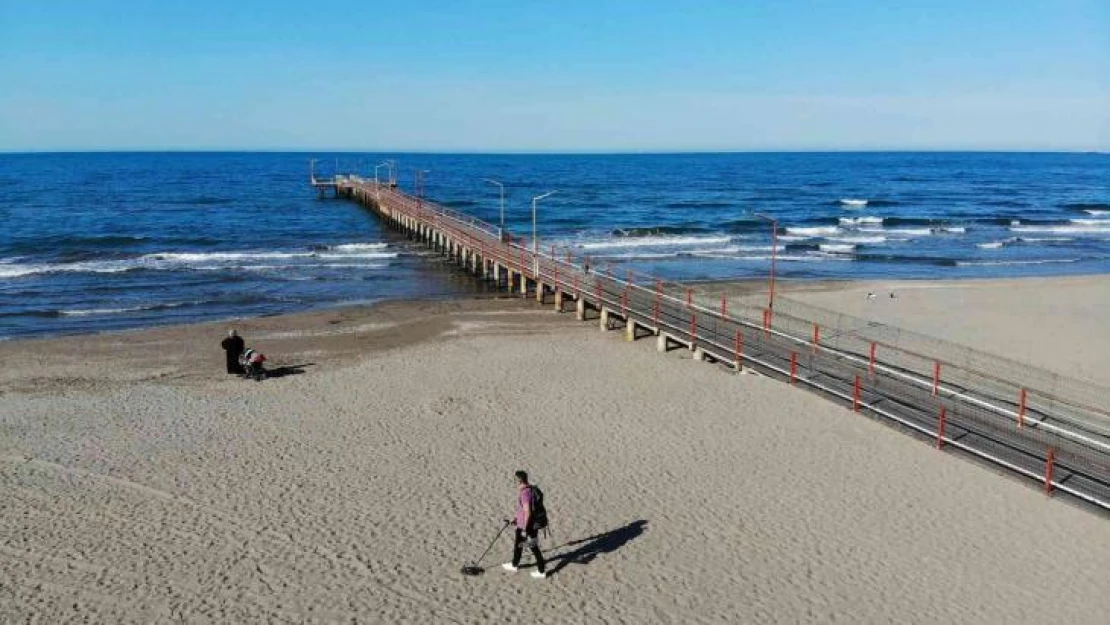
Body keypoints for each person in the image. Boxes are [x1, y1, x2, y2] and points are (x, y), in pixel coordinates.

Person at [502, 470, 547, 579]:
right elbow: (524, 510)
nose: (514, 482)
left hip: (527, 526)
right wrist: (516, 519)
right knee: (519, 546)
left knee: (533, 547)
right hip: (525, 524)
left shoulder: (525, 493)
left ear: (519, 480)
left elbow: (528, 511)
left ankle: (541, 571)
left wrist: (525, 529)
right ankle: (514, 564)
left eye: (514, 480)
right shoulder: (530, 489)